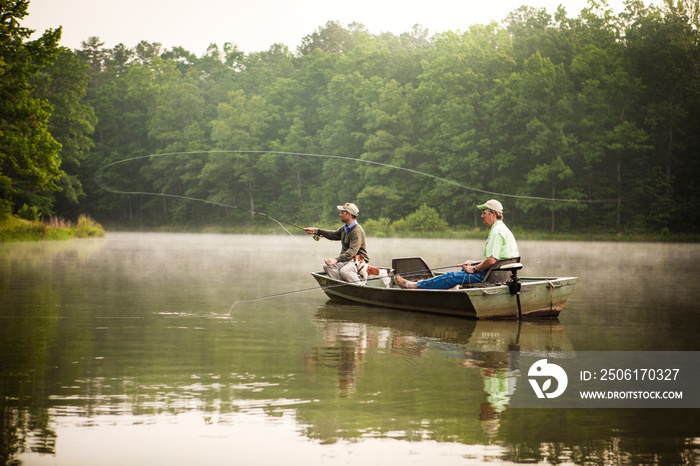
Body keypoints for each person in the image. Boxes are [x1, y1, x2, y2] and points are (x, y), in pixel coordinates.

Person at [394, 199, 519, 289]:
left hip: (488, 276)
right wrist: (475, 263)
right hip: (497, 274)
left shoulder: (496, 232)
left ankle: (412, 285)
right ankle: (447, 290)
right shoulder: (503, 229)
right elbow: (497, 259)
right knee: (460, 272)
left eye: (484, 213)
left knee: (451, 276)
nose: (482, 216)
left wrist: (474, 268)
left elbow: (491, 260)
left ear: (493, 214)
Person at [304, 202, 369, 284]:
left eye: (342, 212)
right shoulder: (345, 228)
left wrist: (335, 260)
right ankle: (343, 285)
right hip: (347, 260)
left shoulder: (356, 232)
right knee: (328, 267)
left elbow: (352, 252)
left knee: (345, 271)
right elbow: (333, 235)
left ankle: (360, 287)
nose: (340, 214)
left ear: (348, 214)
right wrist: (317, 230)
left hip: (358, 261)